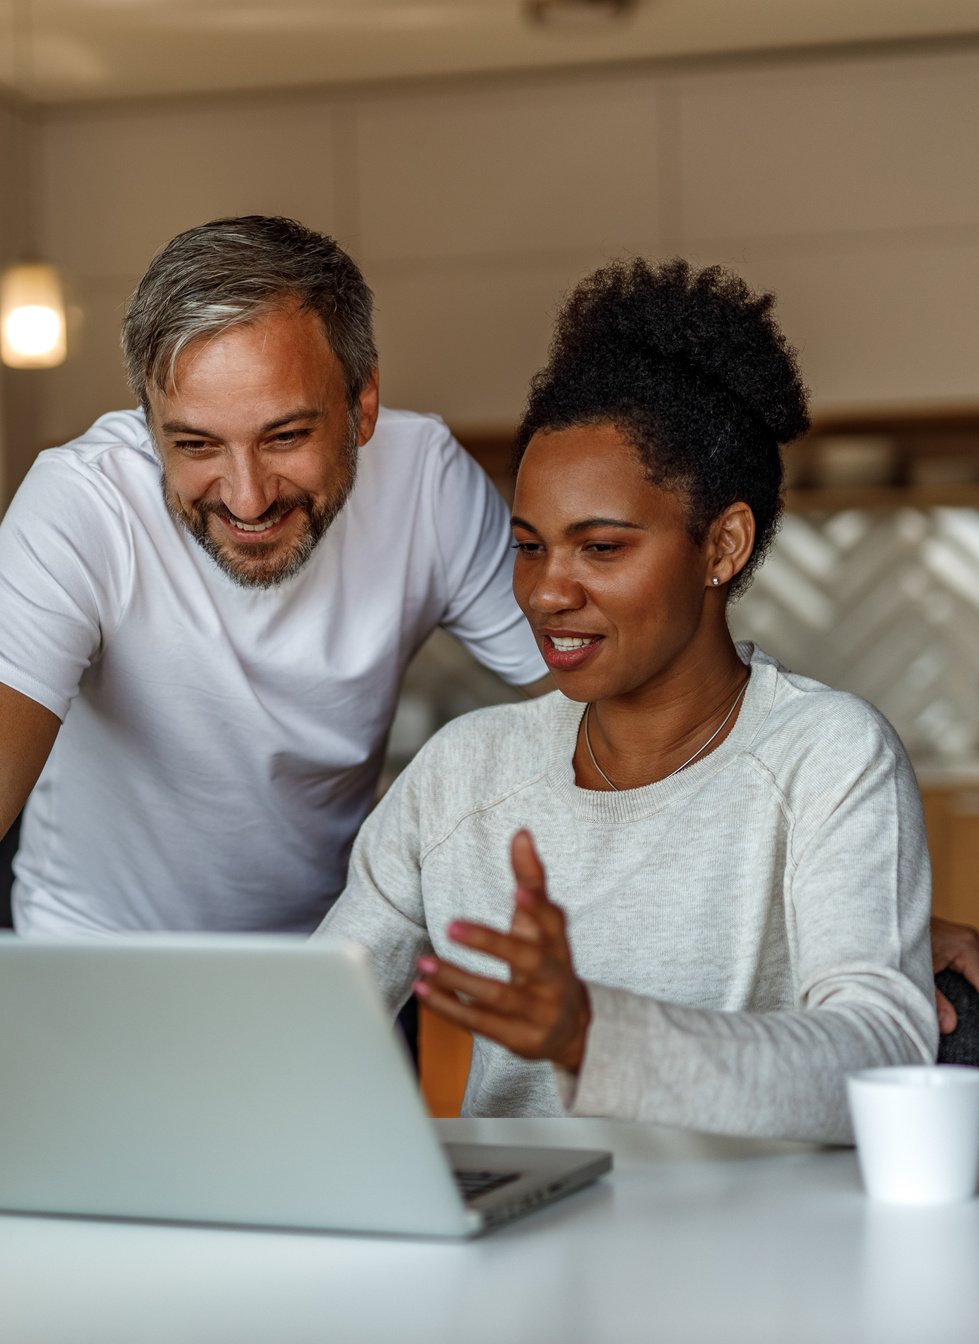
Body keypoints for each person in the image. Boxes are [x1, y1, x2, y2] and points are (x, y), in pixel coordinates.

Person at [0, 220, 979, 1181]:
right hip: (125, 998)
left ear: (361, 406)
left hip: (370, 1028)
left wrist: (866, 903)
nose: (242, 491)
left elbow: (643, 698)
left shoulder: (811, 752)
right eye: (193, 444)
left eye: (286, 435)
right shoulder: (452, 777)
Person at [317, 259, 940, 1143]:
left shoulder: (829, 758)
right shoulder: (464, 772)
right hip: (519, 1251)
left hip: (761, 1255)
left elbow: (883, 1059)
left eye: (600, 549)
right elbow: (314, 1026)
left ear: (721, 544)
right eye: (529, 547)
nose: (545, 593)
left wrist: (590, 1034)